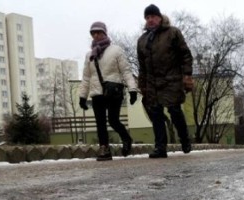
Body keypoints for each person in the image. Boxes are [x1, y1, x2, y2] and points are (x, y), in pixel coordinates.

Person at [137, 4, 194, 159]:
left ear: (160, 17)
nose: (150, 20)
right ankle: (160, 147)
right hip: (152, 83)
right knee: (156, 114)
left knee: (174, 110)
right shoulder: (142, 41)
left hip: (171, 79)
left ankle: (184, 139)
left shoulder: (172, 33)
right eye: (147, 17)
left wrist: (187, 75)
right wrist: (142, 85)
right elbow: (141, 66)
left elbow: (185, 55)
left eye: (153, 17)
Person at [79, 21, 138, 161]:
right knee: (100, 122)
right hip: (97, 92)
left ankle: (126, 138)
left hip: (113, 90)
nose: (96, 35)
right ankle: (104, 148)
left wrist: (132, 89)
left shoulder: (116, 50)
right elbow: (86, 77)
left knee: (113, 120)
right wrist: (82, 96)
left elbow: (126, 71)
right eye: (93, 33)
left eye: (99, 32)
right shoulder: (89, 55)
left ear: (105, 33)